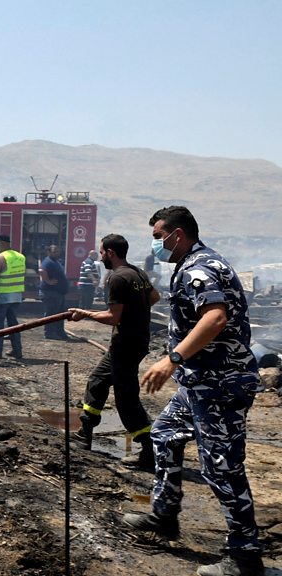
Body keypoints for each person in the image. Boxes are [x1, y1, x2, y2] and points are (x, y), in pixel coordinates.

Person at [122, 206, 263, 576]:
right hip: (200, 382)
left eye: (158, 238)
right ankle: (164, 514)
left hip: (220, 384)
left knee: (221, 466)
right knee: (165, 434)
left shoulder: (198, 270)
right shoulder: (197, 264)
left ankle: (245, 557)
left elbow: (215, 317)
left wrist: (172, 359)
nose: (156, 246)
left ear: (177, 235)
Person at [67, 234, 159, 469]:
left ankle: (149, 450)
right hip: (133, 342)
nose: (100, 256)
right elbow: (154, 297)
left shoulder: (116, 278)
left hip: (126, 344)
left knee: (126, 399)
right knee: (97, 381)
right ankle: (85, 432)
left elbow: (113, 317)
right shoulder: (137, 273)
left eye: (101, 252)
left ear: (110, 252)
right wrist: (136, 312)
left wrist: (84, 313)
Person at [0, 234, 25, 359]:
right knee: (13, 324)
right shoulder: (20, 256)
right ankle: (17, 350)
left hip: (2, 295)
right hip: (16, 296)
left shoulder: (1, 257)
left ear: (3, 243)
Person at [38, 244, 69, 339]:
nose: (56, 253)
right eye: (54, 252)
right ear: (49, 252)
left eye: (57, 251)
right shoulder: (48, 261)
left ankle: (60, 332)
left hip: (58, 293)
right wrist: (48, 281)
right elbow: (41, 270)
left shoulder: (56, 261)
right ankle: (49, 333)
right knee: (51, 314)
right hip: (50, 293)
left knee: (60, 314)